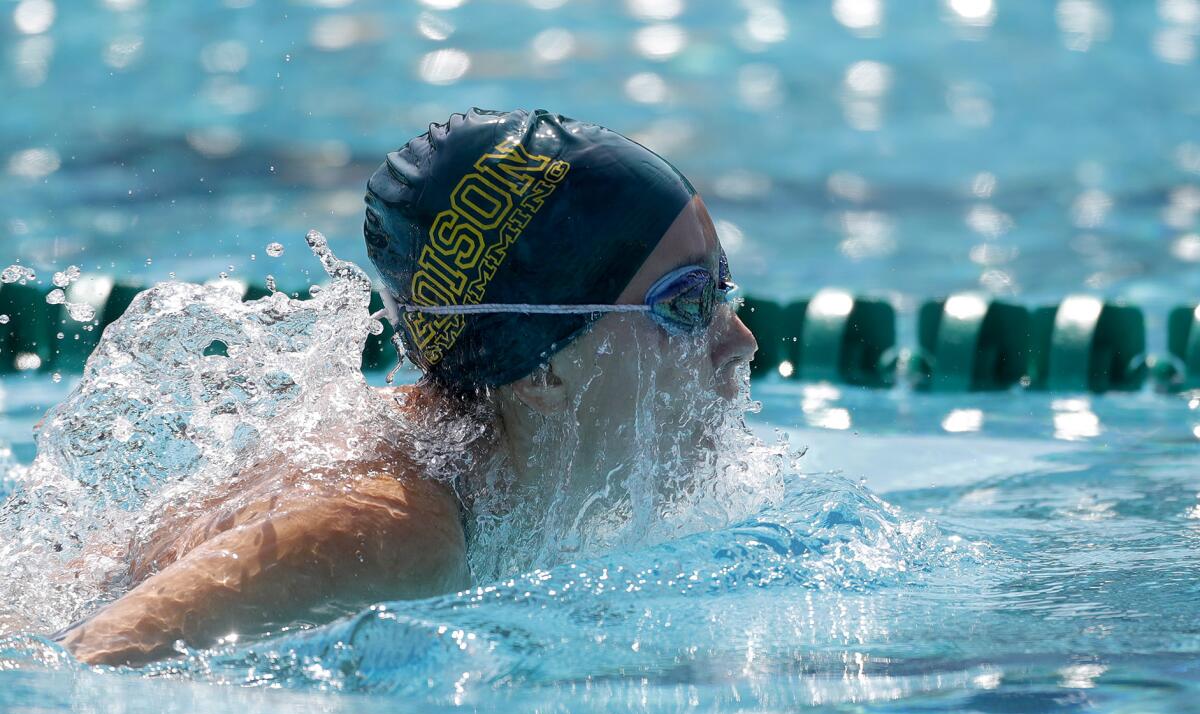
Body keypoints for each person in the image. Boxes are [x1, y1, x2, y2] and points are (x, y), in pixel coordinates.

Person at [55, 108, 758, 666]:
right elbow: (80, 666)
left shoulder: (471, 478)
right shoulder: (391, 534)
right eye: (688, 304)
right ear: (542, 368)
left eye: (725, 290)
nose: (739, 340)